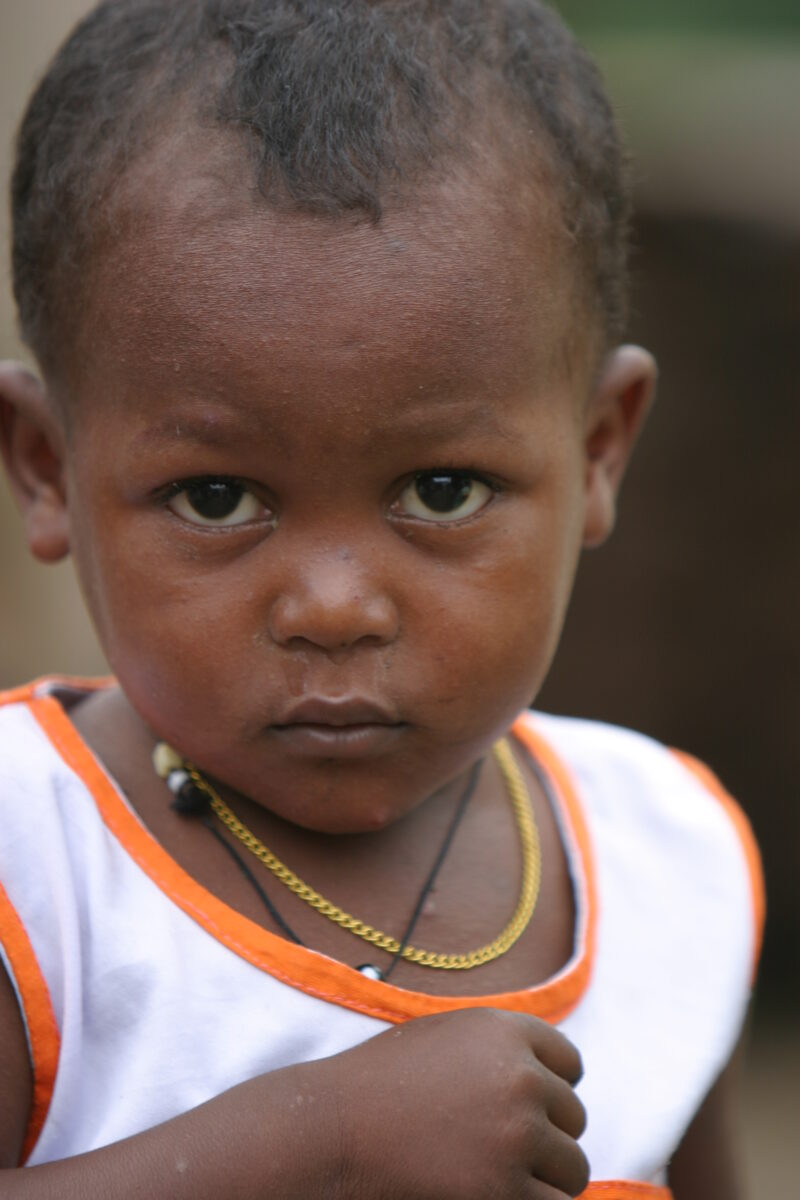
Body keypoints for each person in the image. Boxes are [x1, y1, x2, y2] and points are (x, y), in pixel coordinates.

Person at [0, 2, 763, 1197]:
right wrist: (319, 1137)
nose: (333, 607)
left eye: (442, 490)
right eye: (213, 498)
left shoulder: (666, 858)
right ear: (45, 468)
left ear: (600, 449)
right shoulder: (33, 871)